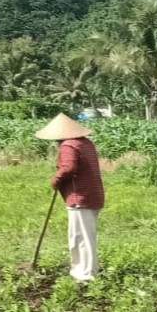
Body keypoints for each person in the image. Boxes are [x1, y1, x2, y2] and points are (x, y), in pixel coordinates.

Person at [35, 113, 105, 282]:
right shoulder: (86, 143)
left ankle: (86, 274)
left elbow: (68, 167)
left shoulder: (68, 145)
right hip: (93, 194)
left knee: (81, 237)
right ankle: (83, 270)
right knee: (82, 236)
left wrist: (55, 180)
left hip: (79, 197)